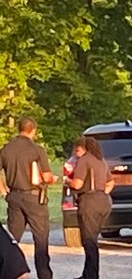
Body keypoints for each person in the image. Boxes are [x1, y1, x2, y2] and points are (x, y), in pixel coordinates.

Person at [0, 117, 55, 279]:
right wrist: (52, 179)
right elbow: (46, 176)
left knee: (12, 239)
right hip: (34, 198)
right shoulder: (37, 150)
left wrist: (4, 191)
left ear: (19, 129)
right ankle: (44, 275)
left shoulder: (6, 149)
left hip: (14, 197)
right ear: (34, 131)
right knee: (41, 240)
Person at [65, 137, 114, 279]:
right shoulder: (101, 161)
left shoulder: (84, 160)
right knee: (92, 237)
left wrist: (66, 180)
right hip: (104, 202)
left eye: (78, 149)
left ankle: (92, 275)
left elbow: (77, 184)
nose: (76, 152)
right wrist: (102, 193)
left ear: (85, 148)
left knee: (89, 241)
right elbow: (110, 183)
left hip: (89, 201)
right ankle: (87, 274)